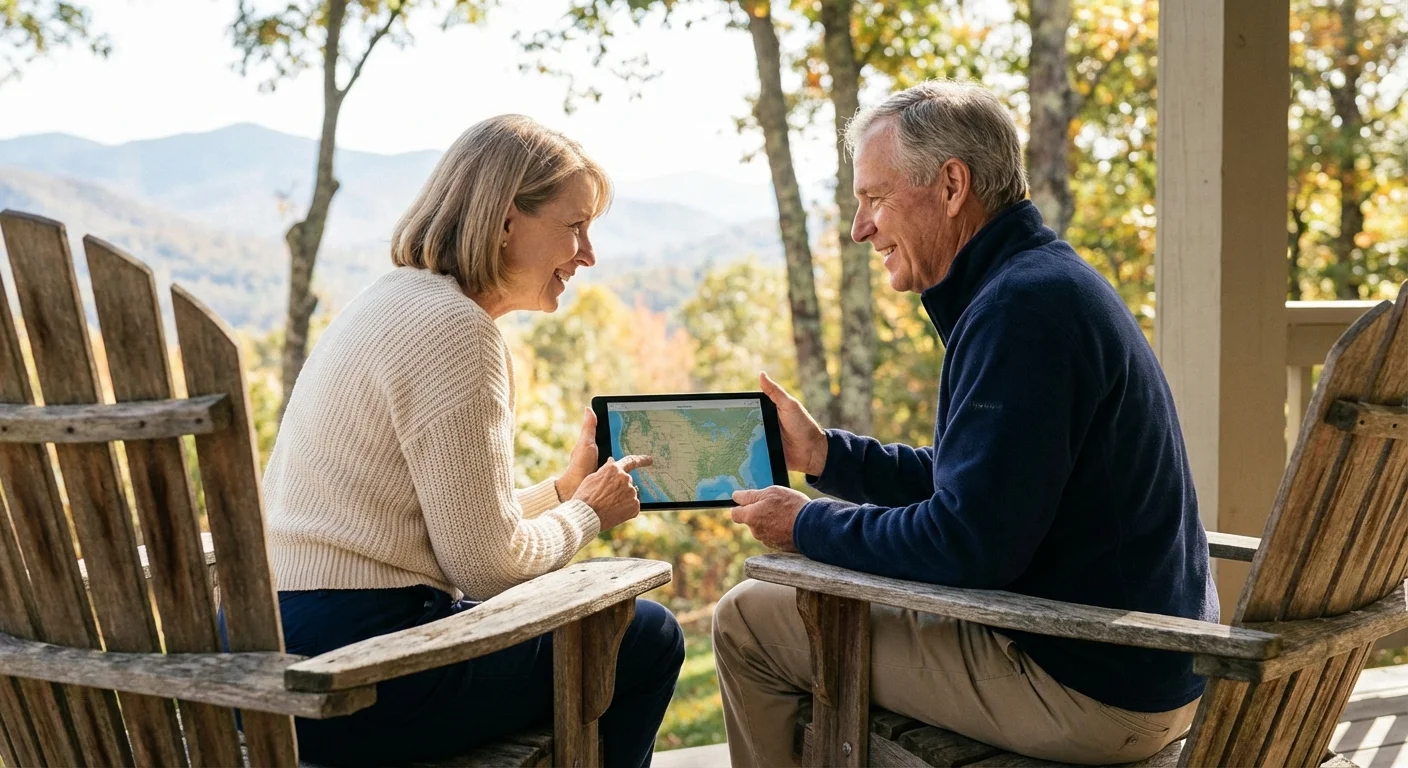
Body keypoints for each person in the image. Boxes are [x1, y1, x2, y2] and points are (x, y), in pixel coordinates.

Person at [714, 80, 1218, 766]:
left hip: (1090, 688)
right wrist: (829, 455)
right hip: (1136, 665)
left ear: (952, 185)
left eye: (875, 199)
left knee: (750, 619)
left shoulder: (1022, 312)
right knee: (795, 621)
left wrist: (804, 525)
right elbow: (984, 483)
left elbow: (966, 542)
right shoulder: (1039, 285)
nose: (861, 228)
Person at [260, 114, 684, 768]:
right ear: (506, 220)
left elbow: (445, 521)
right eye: (574, 227)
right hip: (355, 676)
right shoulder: (459, 333)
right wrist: (589, 513)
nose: (588, 254)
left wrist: (562, 491)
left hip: (278, 657)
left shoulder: (392, 299)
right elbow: (486, 566)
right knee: (643, 635)